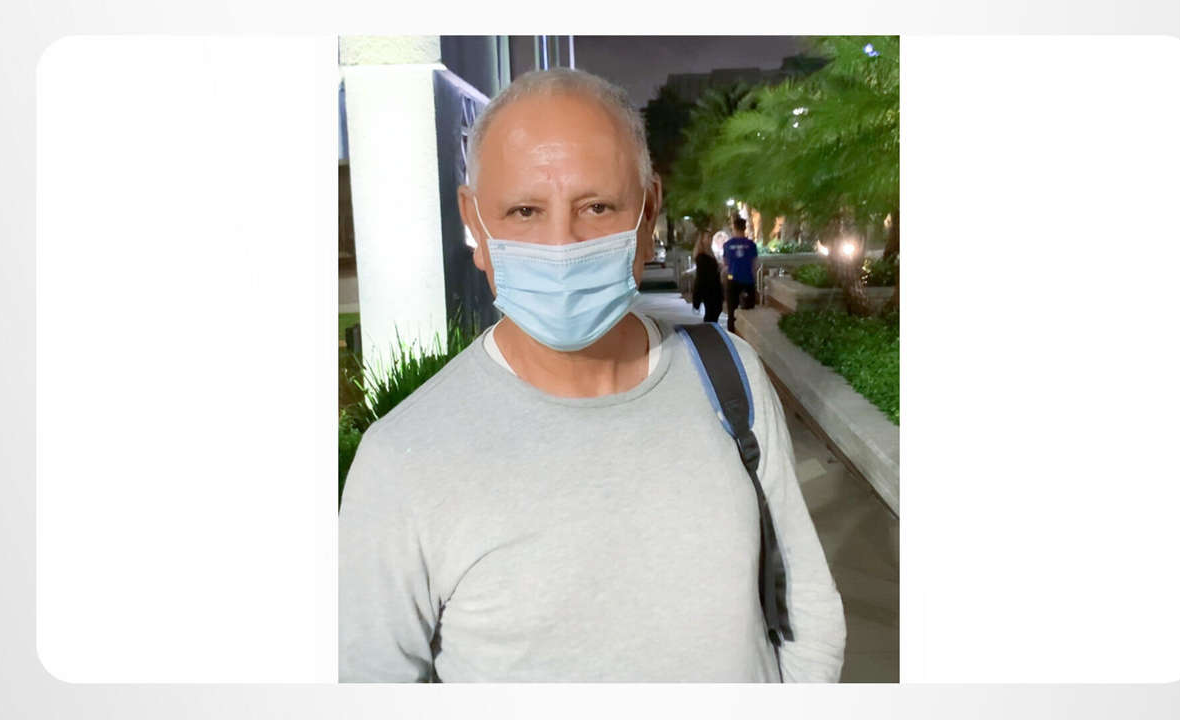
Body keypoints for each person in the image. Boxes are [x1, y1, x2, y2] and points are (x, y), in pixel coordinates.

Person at [339, 67, 845, 683]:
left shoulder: (731, 376)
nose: (562, 246)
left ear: (648, 212)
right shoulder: (400, 462)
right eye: (524, 210)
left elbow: (805, 604)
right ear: (476, 222)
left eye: (598, 206)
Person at [722, 216, 759, 333]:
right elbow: (754, 264)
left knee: (731, 311)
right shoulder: (751, 245)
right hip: (748, 280)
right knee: (749, 310)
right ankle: (748, 334)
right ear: (744, 228)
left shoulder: (727, 245)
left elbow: (725, 263)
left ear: (734, 228)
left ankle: (732, 334)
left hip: (732, 279)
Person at [691, 230, 724, 323]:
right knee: (711, 314)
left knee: (714, 312)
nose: (710, 239)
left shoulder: (709, 254)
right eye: (707, 237)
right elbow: (700, 277)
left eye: (710, 237)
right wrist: (696, 297)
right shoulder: (701, 257)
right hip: (709, 290)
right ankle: (708, 329)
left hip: (715, 288)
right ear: (702, 240)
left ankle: (709, 328)